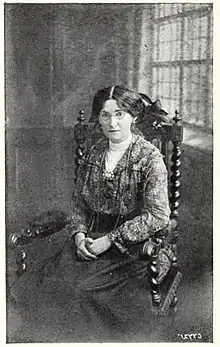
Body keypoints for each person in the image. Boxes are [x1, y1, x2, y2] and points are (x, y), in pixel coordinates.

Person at [10, 85, 172, 343]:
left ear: (134, 117)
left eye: (120, 114)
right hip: (89, 240)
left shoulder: (149, 158)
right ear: (98, 118)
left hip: (130, 247)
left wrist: (110, 240)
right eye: (105, 115)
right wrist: (79, 235)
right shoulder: (95, 153)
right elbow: (78, 205)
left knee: (79, 291)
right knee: (45, 283)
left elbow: (158, 216)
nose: (113, 122)